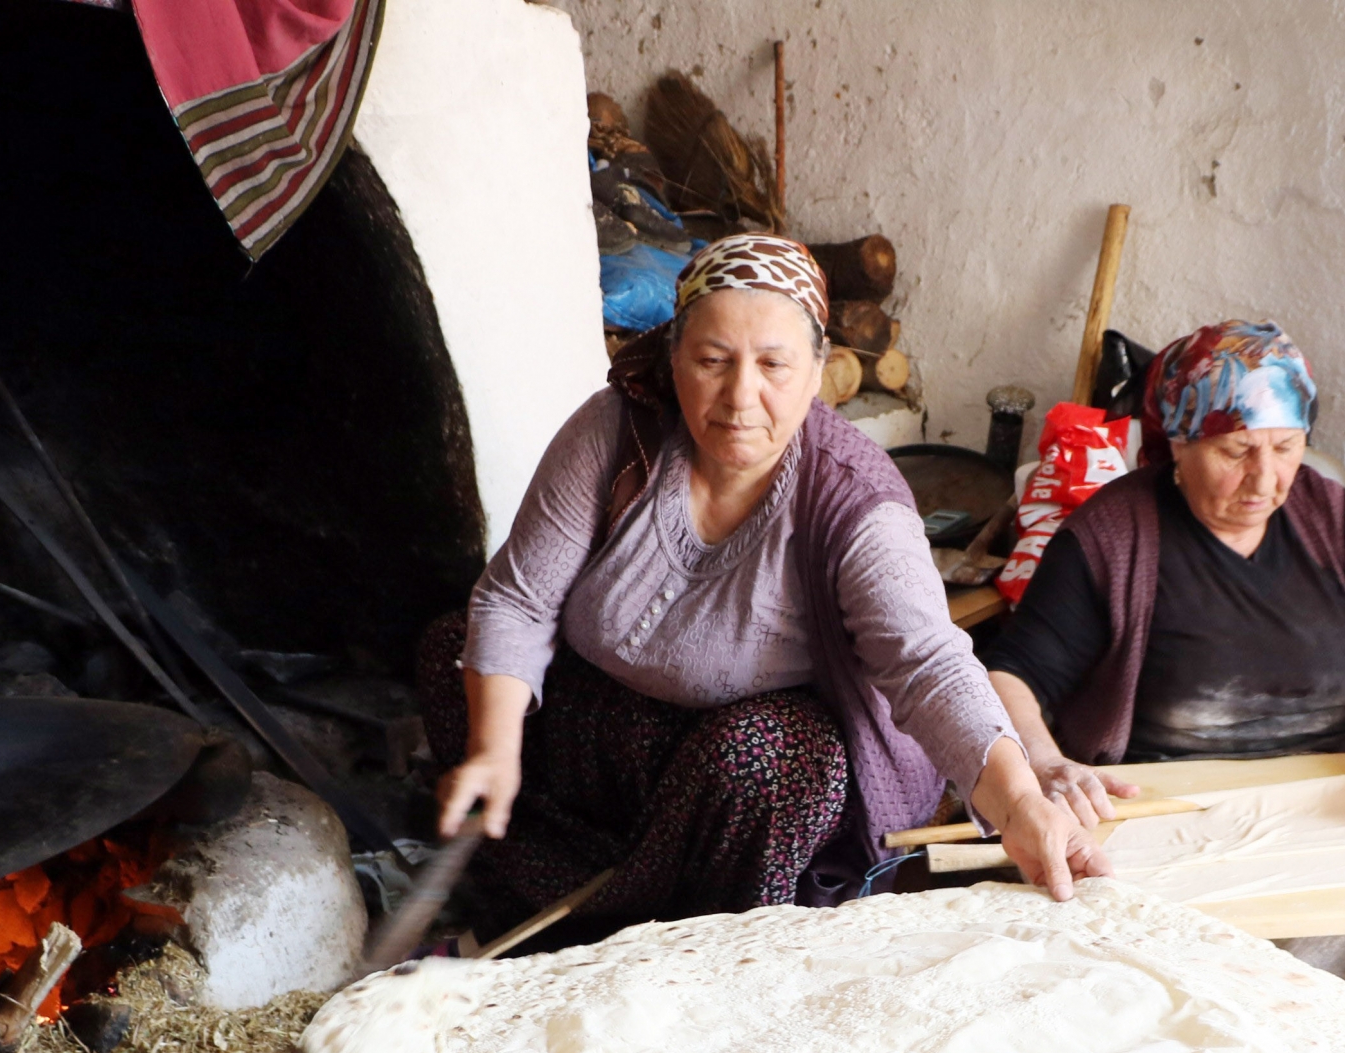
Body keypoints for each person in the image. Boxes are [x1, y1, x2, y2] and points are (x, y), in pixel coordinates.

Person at [422, 234, 1102, 938]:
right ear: (673, 357)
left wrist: (1020, 804)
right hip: (608, 732)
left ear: (818, 372)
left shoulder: (853, 500)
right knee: (455, 648)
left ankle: (698, 945)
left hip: (730, 778)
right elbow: (517, 597)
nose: (740, 396)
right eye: (712, 361)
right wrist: (497, 749)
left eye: (773, 364)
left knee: (779, 754)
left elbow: (927, 663)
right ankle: (542, 907)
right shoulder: (616, 430)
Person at [981, 321, 1345, 830]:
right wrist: (1046, 765)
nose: (1265, 478)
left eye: (1285, 448)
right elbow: (1011, 674)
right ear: (1179, 443)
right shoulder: (1111, 539)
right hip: (1173, 812)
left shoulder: (1330, 517)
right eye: (1236, 450)